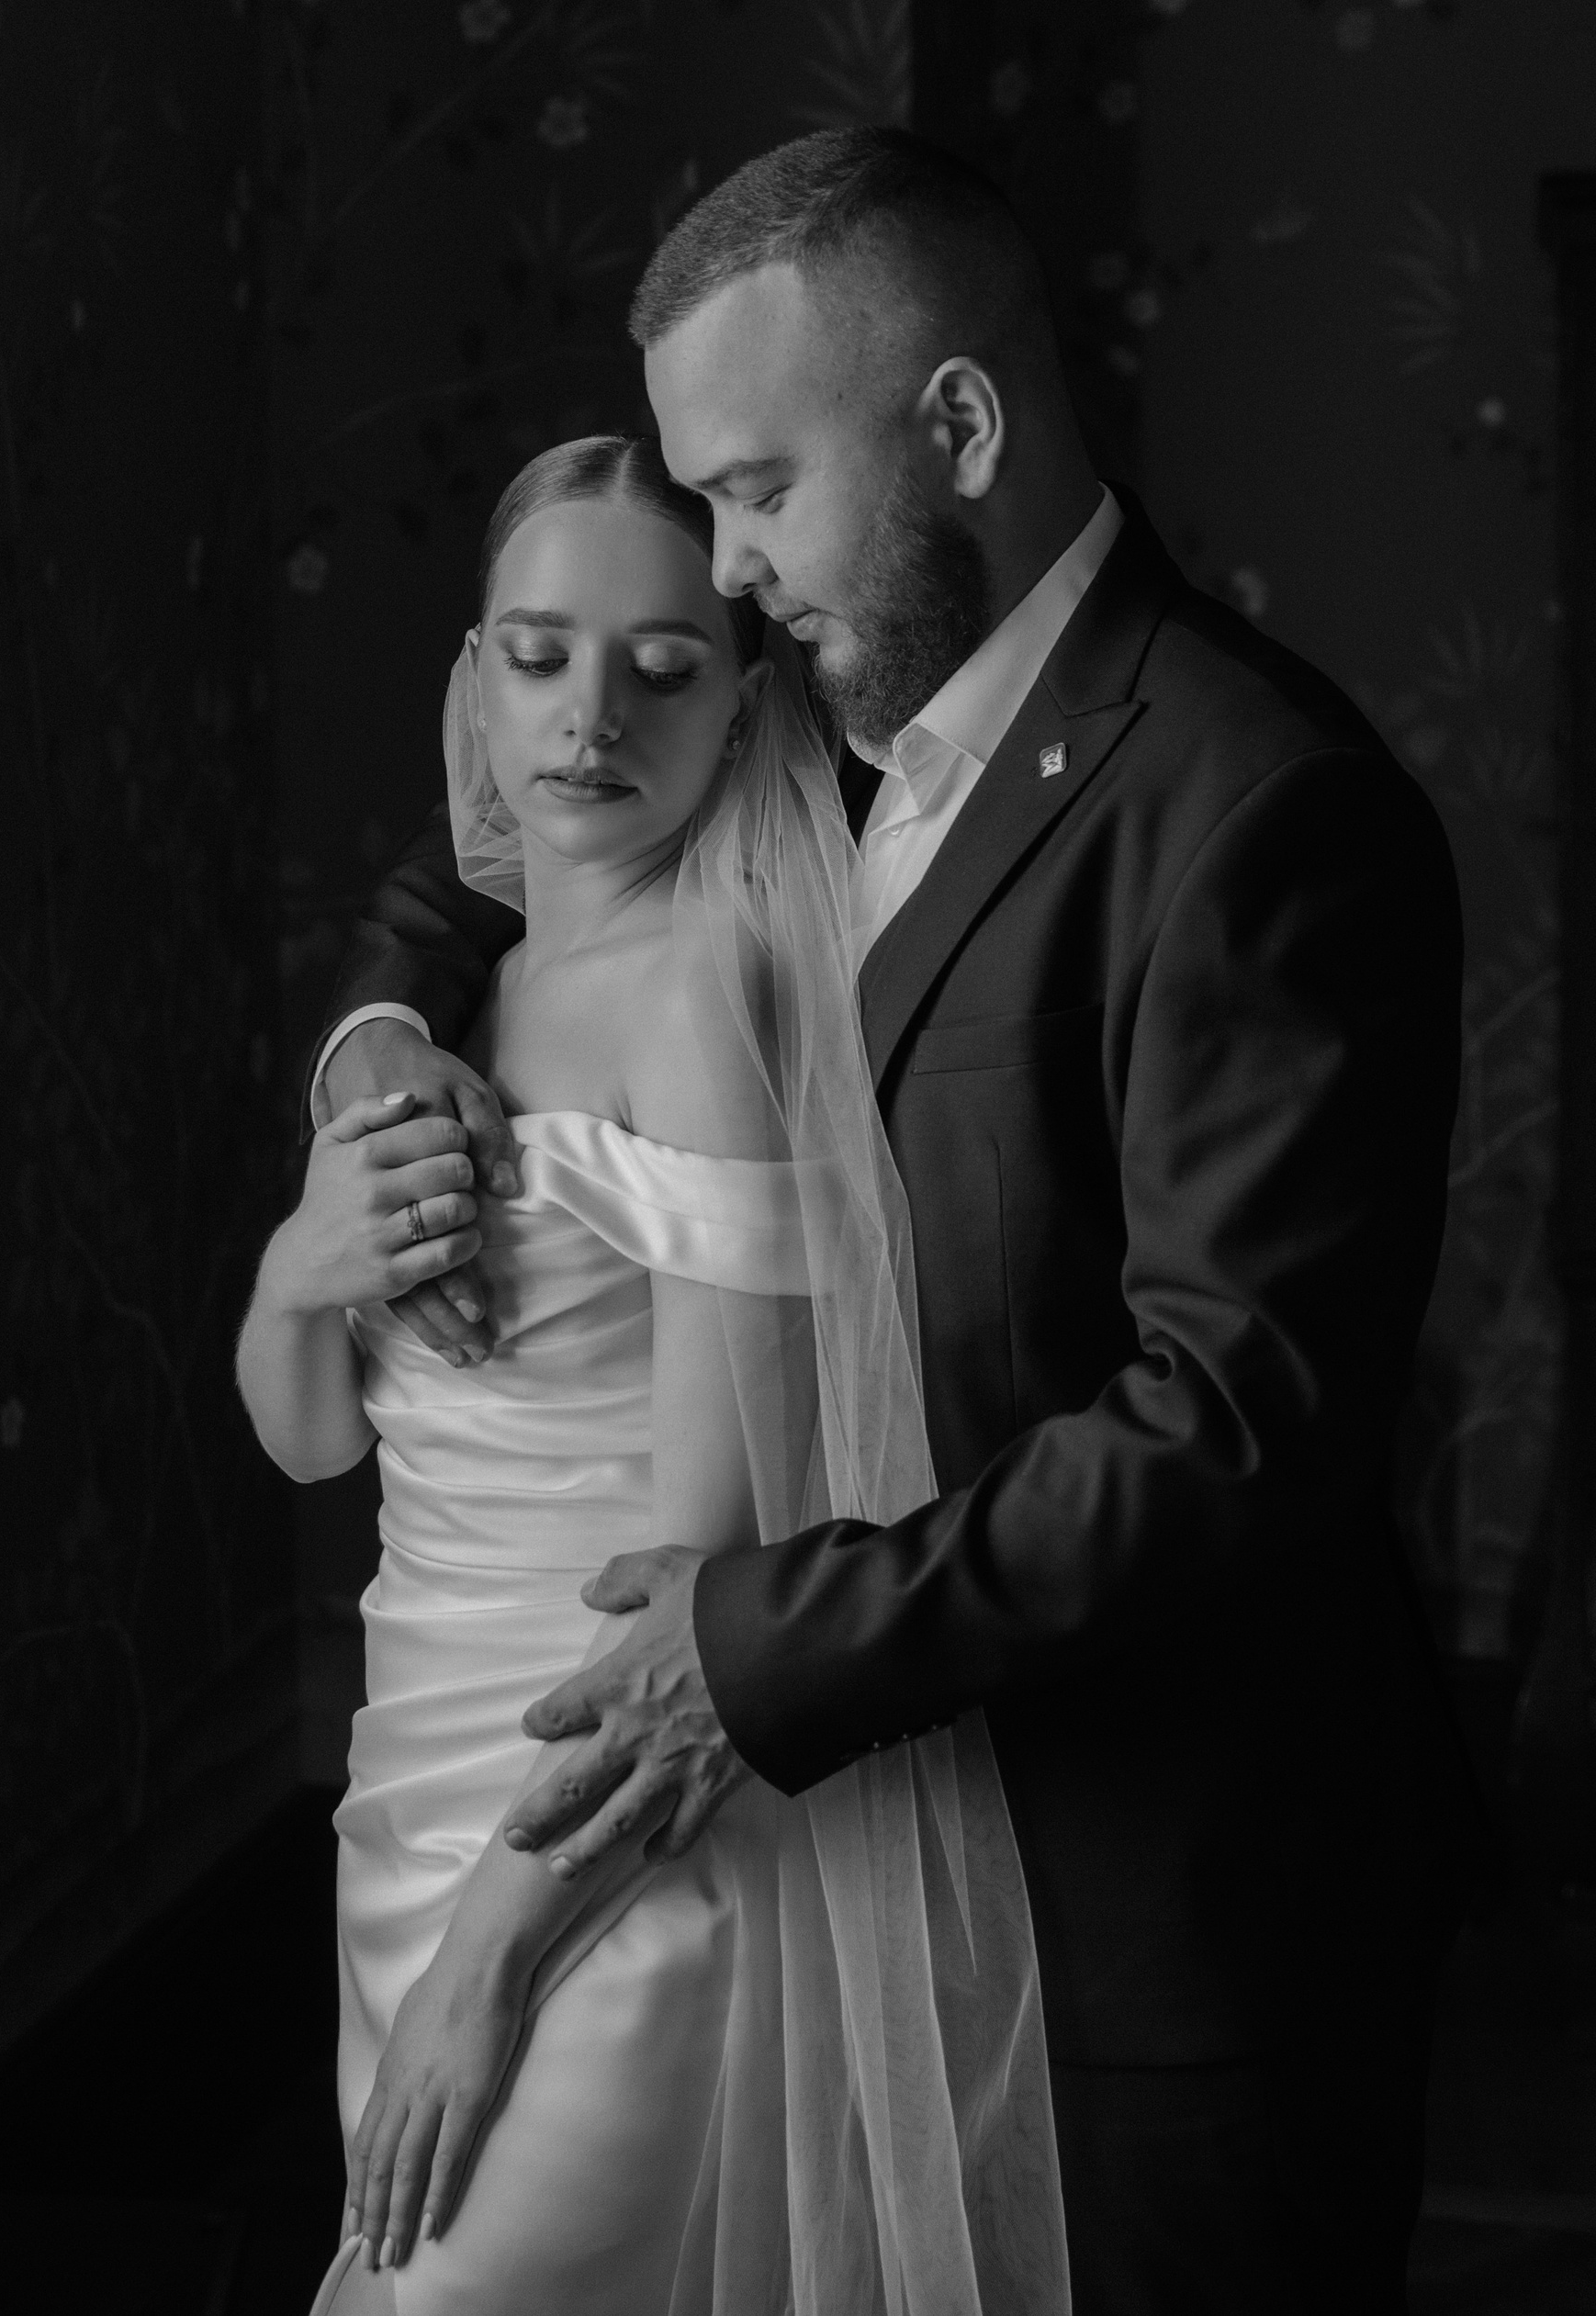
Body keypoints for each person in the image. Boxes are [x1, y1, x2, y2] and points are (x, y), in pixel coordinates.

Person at [310, 129, 1483, 2311]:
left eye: (758, 487)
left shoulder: (1261, 808)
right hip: (841, 1884)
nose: (726, 567)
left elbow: (1238, 1426)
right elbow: (507, 828)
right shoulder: (812, 699)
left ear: (959, 427)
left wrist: (755, 1648)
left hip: (1158, 1917)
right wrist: (376, 1047)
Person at [240, 434, 1068, 2312]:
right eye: (540, 657)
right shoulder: (457, 1013)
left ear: (746, 703)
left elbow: (694, 1589)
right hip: (406, 1800)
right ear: (474, 682)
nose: (591, 716)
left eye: (663, 668)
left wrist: (495, 1961)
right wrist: (302, 1272)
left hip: (596, 1848)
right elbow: (309, 1443)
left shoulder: (708, 998)